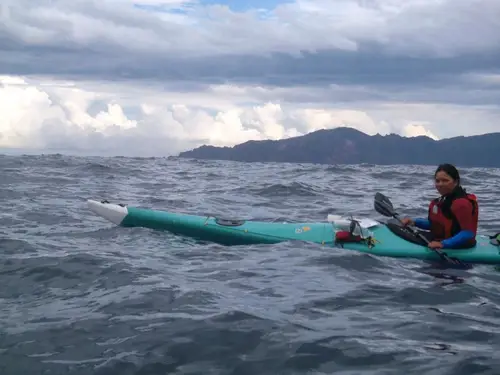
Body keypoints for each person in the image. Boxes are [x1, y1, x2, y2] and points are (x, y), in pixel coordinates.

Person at [401, 163, 478, 249]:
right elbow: (436, 225)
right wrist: (414, 222)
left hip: (459, 246)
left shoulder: (461, 204)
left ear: (456, 182)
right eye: (437, 181)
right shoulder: (443, 200)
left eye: (445, 180)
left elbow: (468, 233)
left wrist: (443, 244)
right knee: (399, 230)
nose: (440, 184)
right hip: (444, 239)